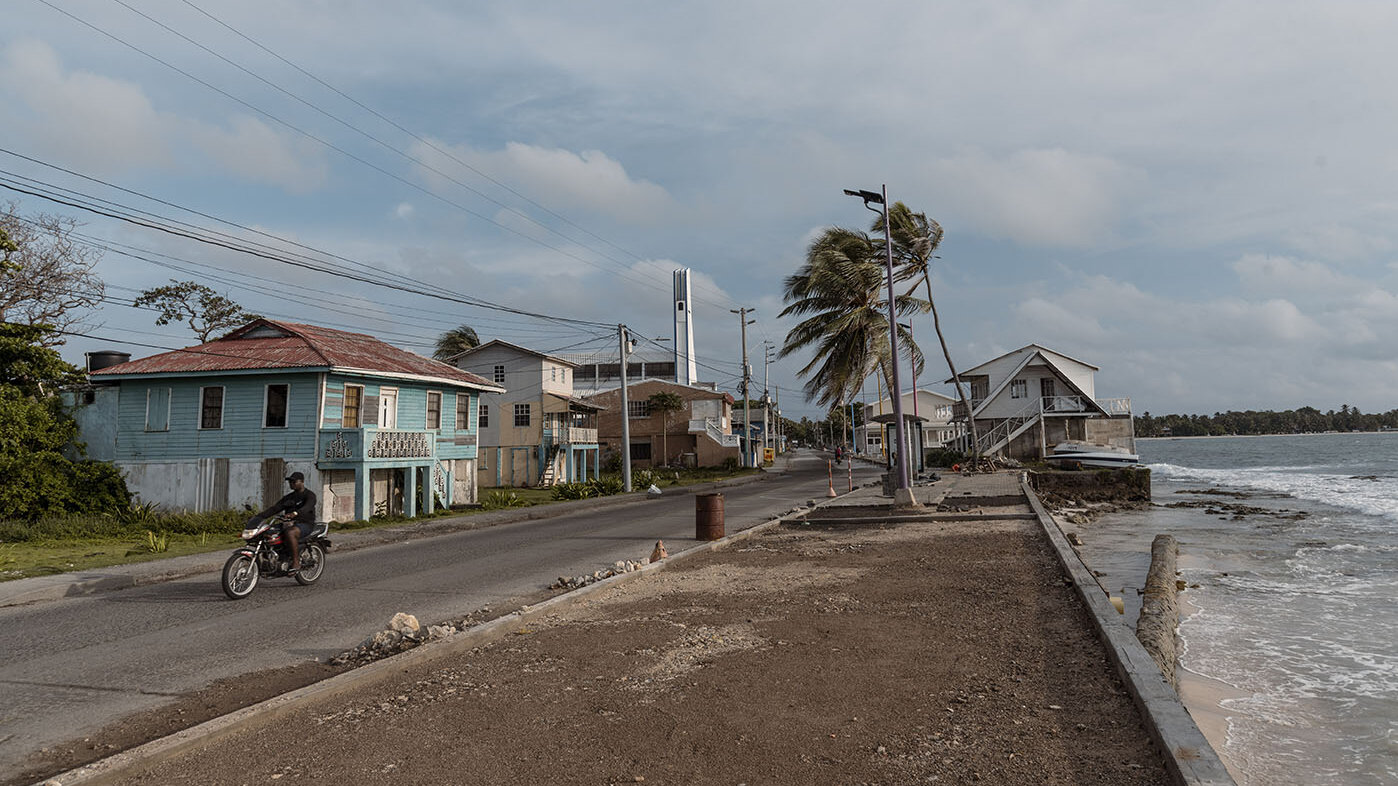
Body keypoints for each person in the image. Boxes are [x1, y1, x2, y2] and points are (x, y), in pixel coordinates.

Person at [254, 471, 317, 573]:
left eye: (294, 482)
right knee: (267, 532)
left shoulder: (309, 495)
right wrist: (259, 517)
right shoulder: (289, 497)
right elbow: (275, 508)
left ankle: (296, 563)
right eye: (290, 482)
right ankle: (270, 559)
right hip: (288, 523)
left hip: (305, 524)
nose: (291, 484)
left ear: (302, 482)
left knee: (290, 532)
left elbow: (307, 507)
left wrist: (295, 513)